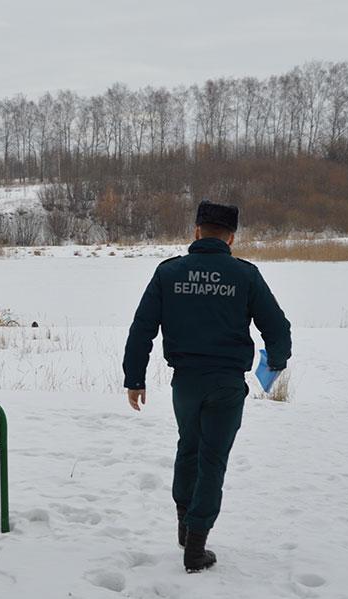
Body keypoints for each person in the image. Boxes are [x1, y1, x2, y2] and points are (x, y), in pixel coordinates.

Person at [122, 200, 292, 573]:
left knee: (189, 448)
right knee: (212, 459)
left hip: (186, 384)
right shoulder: (245, 275)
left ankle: (185, 526)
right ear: (231, 237)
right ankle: (196, 548)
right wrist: (275, 361)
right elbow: (277, 328)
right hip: (227, 385)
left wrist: (134, 378)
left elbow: (142, 329)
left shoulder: (168, 273)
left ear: (196, 231)